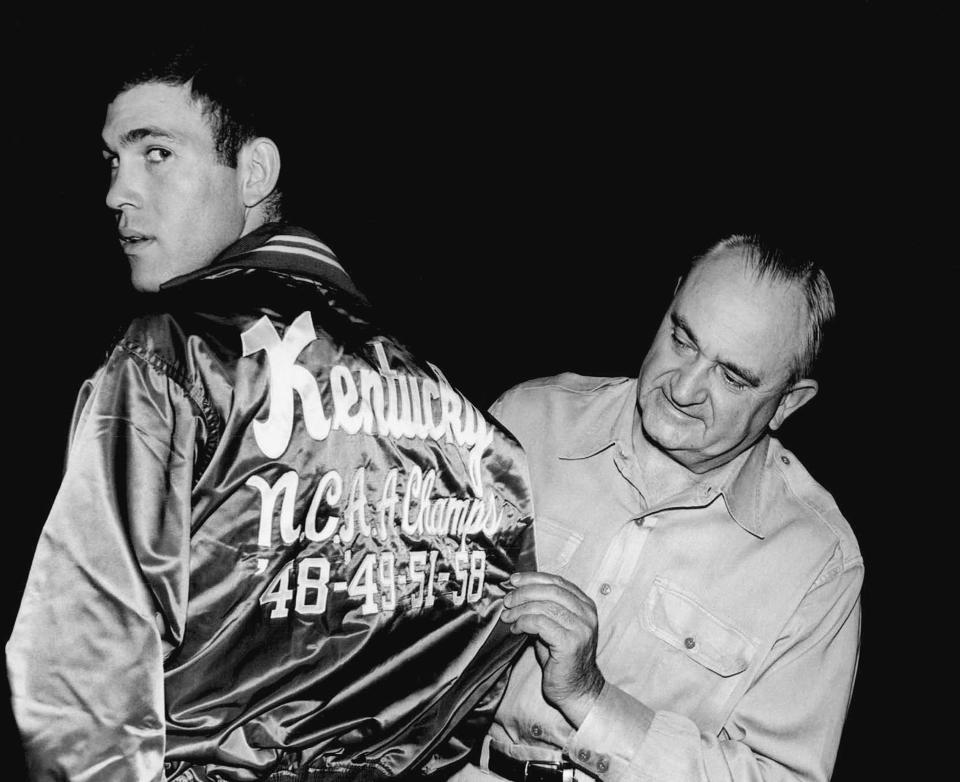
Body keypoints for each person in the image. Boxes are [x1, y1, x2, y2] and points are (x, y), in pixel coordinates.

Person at [6, 47, 535, 781]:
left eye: (155, 153)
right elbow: (468, 695)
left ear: (253, 173)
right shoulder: (475, 435)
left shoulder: (170, 358)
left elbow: (81, 676)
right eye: (111, 161)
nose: (116, 193)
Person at [453, 237, 863, 781]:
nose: (684, 387)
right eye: (682, 339)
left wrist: (592, 699)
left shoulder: (817, 563)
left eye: (732, 377)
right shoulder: (526, 422)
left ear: (789, 401)